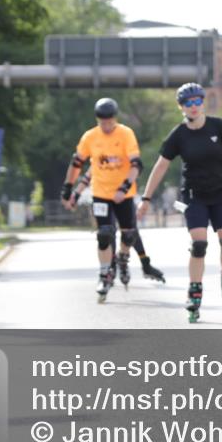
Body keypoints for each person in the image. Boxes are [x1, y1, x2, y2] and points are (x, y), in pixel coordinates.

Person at [137, 83, 222, 323]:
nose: (194, 106)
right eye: (189, 103)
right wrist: (145, 198)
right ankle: (194, 292)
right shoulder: (179, 134)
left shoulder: (218, 126)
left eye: (198, 101)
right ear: (181, 107)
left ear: (203, 102)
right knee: (199, 245)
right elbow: (161, 166)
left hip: (221, 193)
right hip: (195, 196)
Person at [61, 97, 143, 302]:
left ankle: (123, 258)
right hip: (100, 193)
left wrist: (123, 188)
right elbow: (77, 163)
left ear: (115, 119)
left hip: (124, 194)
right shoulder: (90, 136)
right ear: (97, 120)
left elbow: (136, 165)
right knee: (104, 234)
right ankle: (105, 274)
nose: (106, 126)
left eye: (109, 122)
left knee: (128, 235)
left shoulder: (125, 134)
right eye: (102, 122)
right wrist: (68, 189)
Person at [73, 163, 165, 283]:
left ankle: (131, 261)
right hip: (103, 196)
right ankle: (111, 266)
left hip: (123, 196)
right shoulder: (100, 147)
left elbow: (136, 165)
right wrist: (76, 193)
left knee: (131, 232)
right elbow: (92, 169)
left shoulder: (124, 147)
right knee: (107, 231)